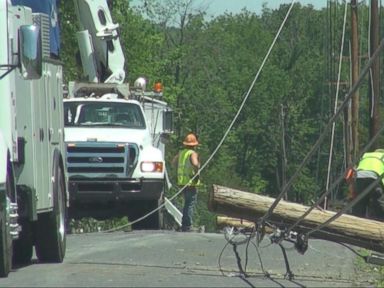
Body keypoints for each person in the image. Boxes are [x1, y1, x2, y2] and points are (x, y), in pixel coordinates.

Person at [172, 133, 201, 232]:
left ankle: (184, 224)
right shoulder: (192, 153)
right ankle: (187, 225)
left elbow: (173, 162)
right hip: (190, 182)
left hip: (182, 183)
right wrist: (197, 171)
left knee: (186, 203)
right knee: (190, 204)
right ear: (194, 145)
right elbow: (195, 164)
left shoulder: (181, 153)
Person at [351, 149, 384, 220]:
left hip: (359, 176)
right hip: (374, 177)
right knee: (378, 200)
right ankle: (381, 219)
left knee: (360, 200)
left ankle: (356, 220)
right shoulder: (383, 156)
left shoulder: (366, 155)